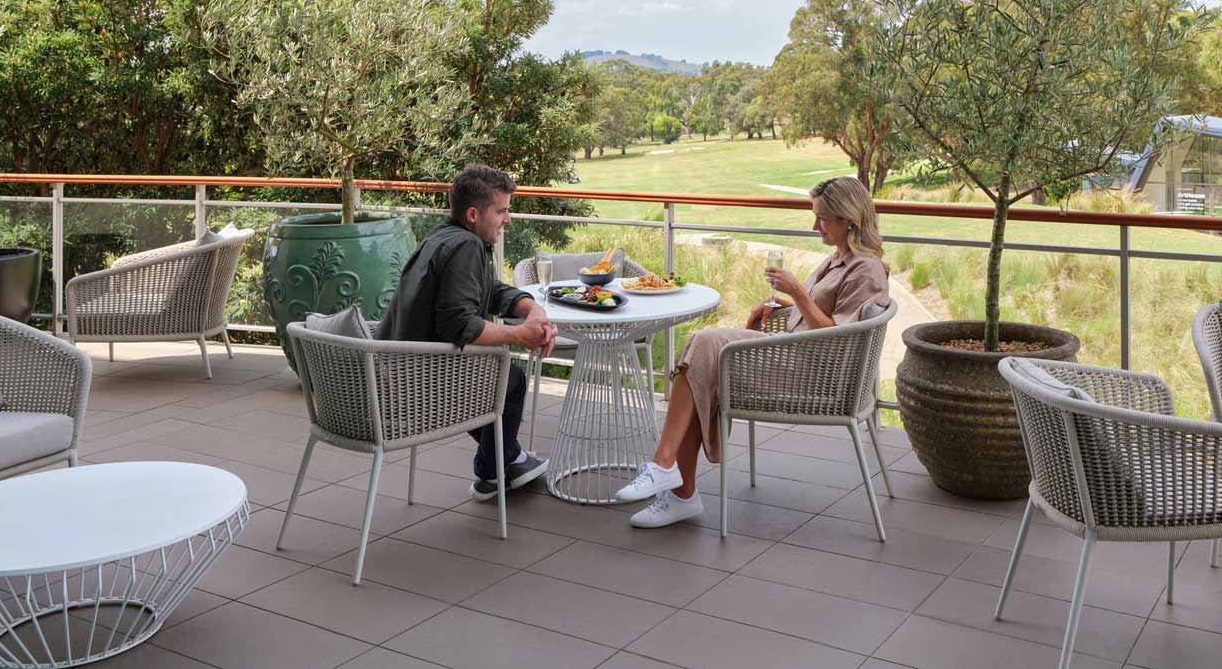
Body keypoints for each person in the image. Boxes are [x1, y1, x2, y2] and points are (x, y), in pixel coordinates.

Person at [614, 175, 890, 527]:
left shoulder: (865, 269)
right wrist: (784, 309)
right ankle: (671, 480)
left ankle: (671, 479)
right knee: (699, 358)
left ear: (848, 219)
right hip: (795, 355)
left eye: (822, 218)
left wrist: (798, 294)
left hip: (814, 376)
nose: (814, 225)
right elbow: (822, 320)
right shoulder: (839, 258)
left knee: (703, 350)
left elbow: (841, 339)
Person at [378, 164, 559, 500]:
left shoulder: (442, 236)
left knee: (496, 377)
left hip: (395, 372)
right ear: (474, 214)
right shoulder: (466, 247)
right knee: (510, 379)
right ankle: (492, 471)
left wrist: (531, 309)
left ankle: (510, 458)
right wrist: (522, 335)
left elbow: (487, 290)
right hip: (417, 385)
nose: (508, 220)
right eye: (502, 211)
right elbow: (460, 325)